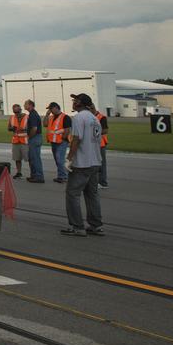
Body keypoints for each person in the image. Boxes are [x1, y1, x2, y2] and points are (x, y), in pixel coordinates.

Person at [61, 92, 104, 237]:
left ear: (81, 103)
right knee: (92, 195)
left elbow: (76, 139)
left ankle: (77, 226)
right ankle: (96, 225)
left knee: (72, 194)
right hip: (95, 161)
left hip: (82, 163)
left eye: (76, 100)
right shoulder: (94, 118)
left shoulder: (79, 118)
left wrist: (69, 158)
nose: (73, 102)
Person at [45, 102, 71, 183]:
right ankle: (61, 176)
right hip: (53, 141)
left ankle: (64, 177)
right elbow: (45, 124)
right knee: (57, 159)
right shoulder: (51, 117)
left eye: (51, 109)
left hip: (61, 141)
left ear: (56, 107)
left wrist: (63, 138)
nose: (50, 110)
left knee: (60, 159)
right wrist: (46, 115)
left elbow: (67, 129)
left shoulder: (65, 117)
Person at [24, 99, 45, 182]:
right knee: (32, 158)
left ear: (30, 105)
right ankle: (34, 175)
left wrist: (30, 137)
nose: (24, 106)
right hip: (35, 137)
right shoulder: (32, 114)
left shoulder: (33, 115)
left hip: (35, 137)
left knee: (35, 158)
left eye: (26, 104)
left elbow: (34, 128)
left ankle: (39, 176)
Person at [6, 103, 28, 178]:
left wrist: (23, 129)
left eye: (17, 111)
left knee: (28, 158)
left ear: (20, 110)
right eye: (15, 112)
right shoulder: (12, 118)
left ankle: (33, 173)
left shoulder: (27, 117)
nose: (16, 113)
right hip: (15, 141)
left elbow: (31, 128)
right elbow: (8, 128)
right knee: (17, 158)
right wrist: (12, 128)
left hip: (25, 141)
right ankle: (19, 172)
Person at [96, 107, 110, 188]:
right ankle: (97, 181)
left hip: (101, 144)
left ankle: (102, 182)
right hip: (93, 144)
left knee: (101, 164)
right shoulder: (90, 117)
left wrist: (93, 132)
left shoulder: (101, 117)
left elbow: (105, 130)